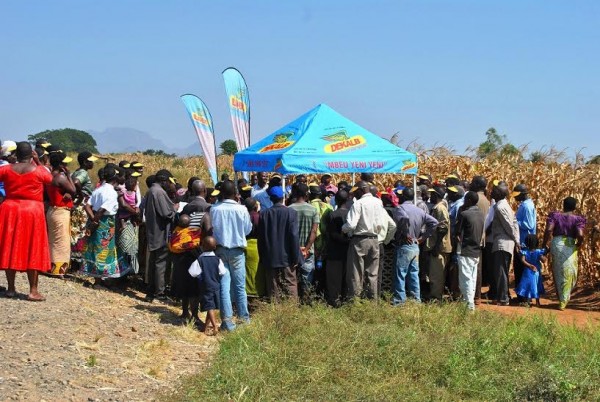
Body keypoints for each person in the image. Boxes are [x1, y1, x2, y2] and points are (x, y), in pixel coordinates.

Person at [0, 142, 52, 300]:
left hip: (10, 208)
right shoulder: (38, 170)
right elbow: (49, 178)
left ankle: (10, 288)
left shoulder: (6, 169)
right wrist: (37, 161)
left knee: (10, 246)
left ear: (16, 154)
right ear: (32, 154)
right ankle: (33, 291)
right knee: (33, 247)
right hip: (32, 211)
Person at [210, 180, 252, 331]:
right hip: (237, 251)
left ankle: (227, 322)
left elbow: (212, 230)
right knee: (240, 287)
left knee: (224, 286)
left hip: (220, 250)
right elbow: (247, 230)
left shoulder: (214, 209)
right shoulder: (242, 209)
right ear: (235, 194)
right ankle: (243, 320)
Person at [81, 165, 131, 283]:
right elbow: (101, 210)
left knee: (95, 248)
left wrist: (92, 220)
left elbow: (87, 206)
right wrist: (96, 221)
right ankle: (99, 280)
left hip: (96, 221)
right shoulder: (111, 193)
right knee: (103, 250)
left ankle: (97, 277)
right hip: (105, 223)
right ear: (115, 178)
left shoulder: (99, 189)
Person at [342, 181, 389, 300]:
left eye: (356, 192)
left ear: (361, 190)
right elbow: (380, 223)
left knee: (356, 273)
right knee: (372, 274)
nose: (354, 195)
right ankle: (371, 302)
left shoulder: (358, 204)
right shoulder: (378, 202)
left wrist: (343, 229)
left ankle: (355, 301)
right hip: (375, 240)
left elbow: (351, 225)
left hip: (359, 240)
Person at [392, 188, 439, 305]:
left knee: (400, 273)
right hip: (415, 245)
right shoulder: (420, 211)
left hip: (404, 245)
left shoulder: (400, 208)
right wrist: (423, 237)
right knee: (413, 274)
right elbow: (434, 222)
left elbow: (403, 218)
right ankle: (416, 300)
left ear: (402, 197)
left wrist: (405, 233)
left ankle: (399, 301)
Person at [257, 186, 301, 302]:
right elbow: (294, 236)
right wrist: (296, 257)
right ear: (284, 197)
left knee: (273, 287)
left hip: (270, 257)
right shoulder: (291, 213)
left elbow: (260, 239)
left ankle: (276, 312)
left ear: (271, 199)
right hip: (287, 258)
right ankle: (292, 312)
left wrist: (262, 257)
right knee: (290, 285)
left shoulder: (264, 214)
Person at [542, 196, 586, 310]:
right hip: (570, 246)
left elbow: (548, 230)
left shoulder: (555, 216)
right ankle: (564, 300)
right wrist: (578, 244)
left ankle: (562, 299)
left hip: (556, 244)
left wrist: (543, 245)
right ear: (575, 207)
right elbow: (580, 234)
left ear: (563, 205)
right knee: (570, 272)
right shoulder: (578, 219)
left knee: (558, 272)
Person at [144, 169, 177, 301]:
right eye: (168, 182)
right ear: (163, 180)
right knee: (161, 264)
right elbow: (166, 213)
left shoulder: (151, 190)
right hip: (160, 233)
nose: (169, 184)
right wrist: (175, 210)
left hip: (153, 231)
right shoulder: (159, 192)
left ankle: (151, 292)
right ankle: (159, 293)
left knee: (154, 263)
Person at [46, 152, 77, 277]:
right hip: (60, 211)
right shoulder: (60, 177)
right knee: (62, 241)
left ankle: (51, 267)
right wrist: (69, 175)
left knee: (53, 240)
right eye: (65, 163)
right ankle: (58, 270)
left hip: (53, 210)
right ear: (60, 165)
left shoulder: (49, 175)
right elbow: (73, 190)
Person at [188, 236, 227, 336]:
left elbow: (192, 272)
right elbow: (223, 272)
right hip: (216, 286)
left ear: (202, 246)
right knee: (212, 307)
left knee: (209, 307)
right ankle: (205, 328)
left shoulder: (200, 260)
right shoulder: (218, 260)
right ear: (215, 247)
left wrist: (201, 276)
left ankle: (214, 327)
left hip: (205, 287)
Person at [489, 182, 520, 306]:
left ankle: (503, 298)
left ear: (499, 194)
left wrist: (516, 240)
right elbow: (514, 222)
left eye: (493, 191)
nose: (491, 193)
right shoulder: (504, 205)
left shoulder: (500, 207)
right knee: (502, 271)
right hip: (504, 242)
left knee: (501, 271)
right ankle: (503, 296)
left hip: (503, 242)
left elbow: (509, 225)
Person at [289, 183, 319, 300]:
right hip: (308, 251)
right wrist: (306, 249)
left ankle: (294, 302)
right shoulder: (313, 210)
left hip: (293, 250)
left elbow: (289, 232)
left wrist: (297, 249)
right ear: (307, 194)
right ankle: (306, 301)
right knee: (307, 279)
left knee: (292, 279)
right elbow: (314, 231)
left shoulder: (289, 209)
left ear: (294, 194)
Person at [455, 191, 484, 310]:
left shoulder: (464, 214)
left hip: (466, 250)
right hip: (476, 251)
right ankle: (469, 303)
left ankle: (469, 305)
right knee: (472, 278)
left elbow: (457, 234)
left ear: (469, 201)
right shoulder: (481, 214)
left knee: (465, 279)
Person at [423, 186, 452, 301]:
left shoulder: (440, 208)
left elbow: (443, 228)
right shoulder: (438, 207)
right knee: (434, 274)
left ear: (437, 195)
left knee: (436, 275)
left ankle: (436, 298)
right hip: (436, 245)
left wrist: (436, 246)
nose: (431, 196)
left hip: (439, 247)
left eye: (433, 194)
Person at [71, 151, 98, 267]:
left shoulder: (76, 171)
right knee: (80, 232)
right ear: (85, 162)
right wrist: (81, 195)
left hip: (78, 204)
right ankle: (77, 262)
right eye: (90, 161)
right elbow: (76, 182)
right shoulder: (82, 173)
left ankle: (74, 261)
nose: (92, 163)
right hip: (82, 205)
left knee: (75, 231)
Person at [325, 190, 351, 306]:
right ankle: (346, 300)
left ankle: (335, 301)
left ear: (335, 200)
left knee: (334, 279)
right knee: (347, 278)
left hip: (334, 252)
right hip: (349, 251)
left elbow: (332, 234)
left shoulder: (332, 214)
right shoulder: (351, 214)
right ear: (348, 200)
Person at [512, 184, 537, 299]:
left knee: (521, 269)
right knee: (520, 269)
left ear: (523, 194)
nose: (515, 198)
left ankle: (524, 296)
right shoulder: (525, 205)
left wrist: (515, 222)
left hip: (524, 242)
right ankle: (522, 295)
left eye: (517, 196)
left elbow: (529, 224)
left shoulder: (526, 206)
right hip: (523, 241)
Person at [469, 176, 490, 304]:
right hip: (481, 237)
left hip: (474, 237)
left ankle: (475, 295)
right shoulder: (486, 200)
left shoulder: (475, 199)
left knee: (473, 267)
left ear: (476, 185)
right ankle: (477, 295)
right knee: (478, 266)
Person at [117, 174, 141, 274]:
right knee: (128, 247)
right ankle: (129, 270)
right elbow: (135, 204)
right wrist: (135, 210)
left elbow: (122, 204)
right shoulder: (134, 194)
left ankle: (126, 269)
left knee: (122, 219)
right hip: (131, 215)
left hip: (123, 215)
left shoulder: (123, 193)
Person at [516, 234, 547, 307]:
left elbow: (522, 260)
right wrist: (545, 253)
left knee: (527, 286)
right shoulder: (538, 252)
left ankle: (527, 302)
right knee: (537, 285)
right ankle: (537, 302)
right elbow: (544, 260)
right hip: (536, 272)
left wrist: (529, 265)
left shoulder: (525, 252)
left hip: (527, 271)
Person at [243, 197, 264, 298]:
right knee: (257, 271)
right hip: (257, 246)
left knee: (247, 271)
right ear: (255, 206)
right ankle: (256, 291)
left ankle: (248, 292)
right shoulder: (258, 217)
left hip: (245, 245)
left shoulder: (243, 217)